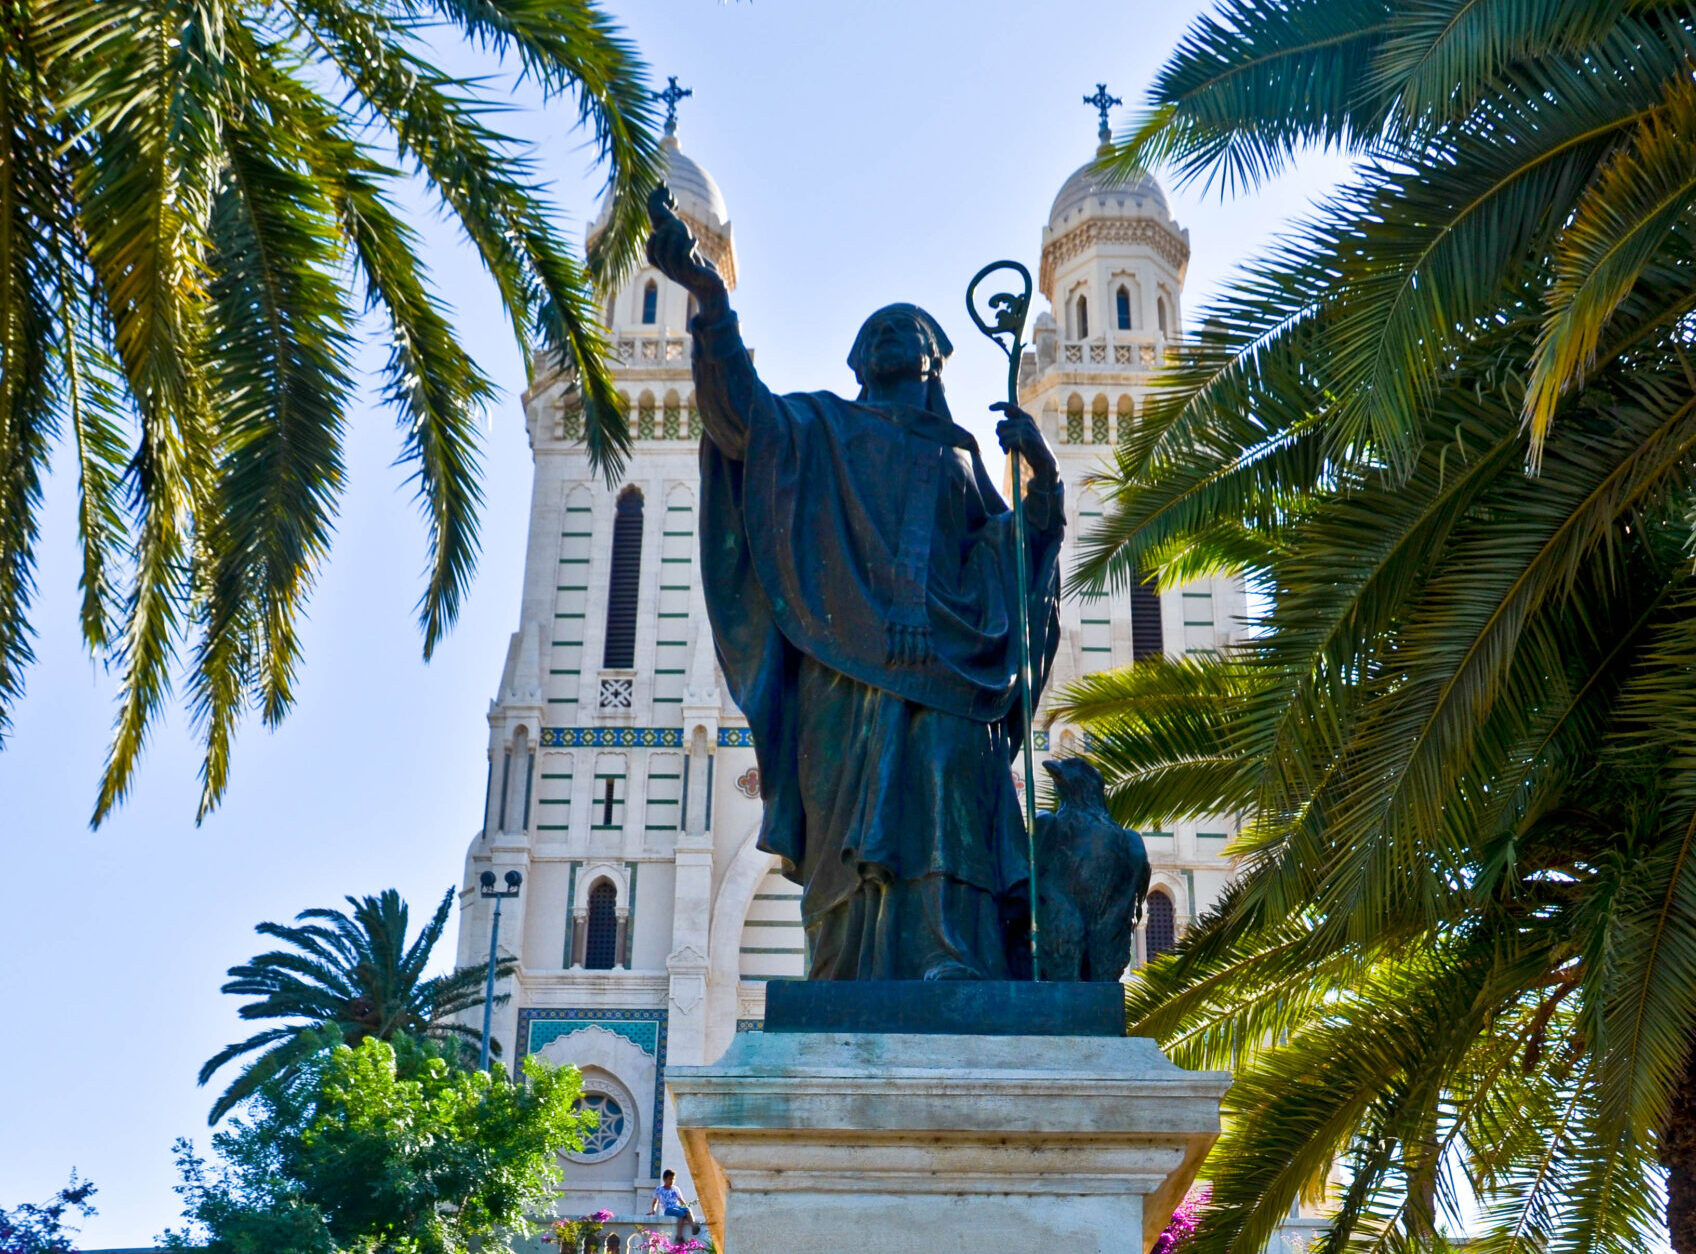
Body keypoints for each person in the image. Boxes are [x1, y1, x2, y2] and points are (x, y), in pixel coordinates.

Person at [645, 186, 1064, 982]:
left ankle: (953, 960)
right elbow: (741, 416)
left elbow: (1011, 554)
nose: (894, 333)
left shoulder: (963, 456)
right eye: (879, 329)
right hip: (844, 677)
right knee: (847, 836)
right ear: (862, 361)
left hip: (944, 672)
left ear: (934, 358)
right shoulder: (821, 429)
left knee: (948, 788)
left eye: (909, 328)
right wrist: (707, 296)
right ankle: (845, 977)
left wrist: (1041, 477)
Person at [649, 1169, 700, 1240]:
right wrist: (653, 1210)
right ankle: (679, 1236)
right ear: (664, 1179)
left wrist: (686, 1207)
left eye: (673, 1179)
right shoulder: (659, 1189)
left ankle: (693, 1226)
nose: (671, 1181)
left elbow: (681, 1200)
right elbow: (655, 1201)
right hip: (668, 1209)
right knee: (681, 1214)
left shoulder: (675, 1189)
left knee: (687, 1209)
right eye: (670, 1179)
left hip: (677, 1207)